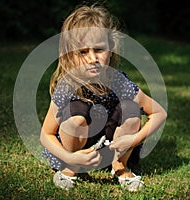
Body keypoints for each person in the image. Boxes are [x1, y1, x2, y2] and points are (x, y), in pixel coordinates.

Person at [40, 4, 167, 192]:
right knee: (76, 116)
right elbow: (46, 134)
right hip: (75, 151)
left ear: (111, 48)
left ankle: (120, 167)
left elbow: (158, 113)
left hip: (111, 147)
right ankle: (71, 169)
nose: (92, 58)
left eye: (99, 49)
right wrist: (70, 158)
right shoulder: (68, 85)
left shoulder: (117, 81)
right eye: (83, 51)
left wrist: (133, 140)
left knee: (131, 110)